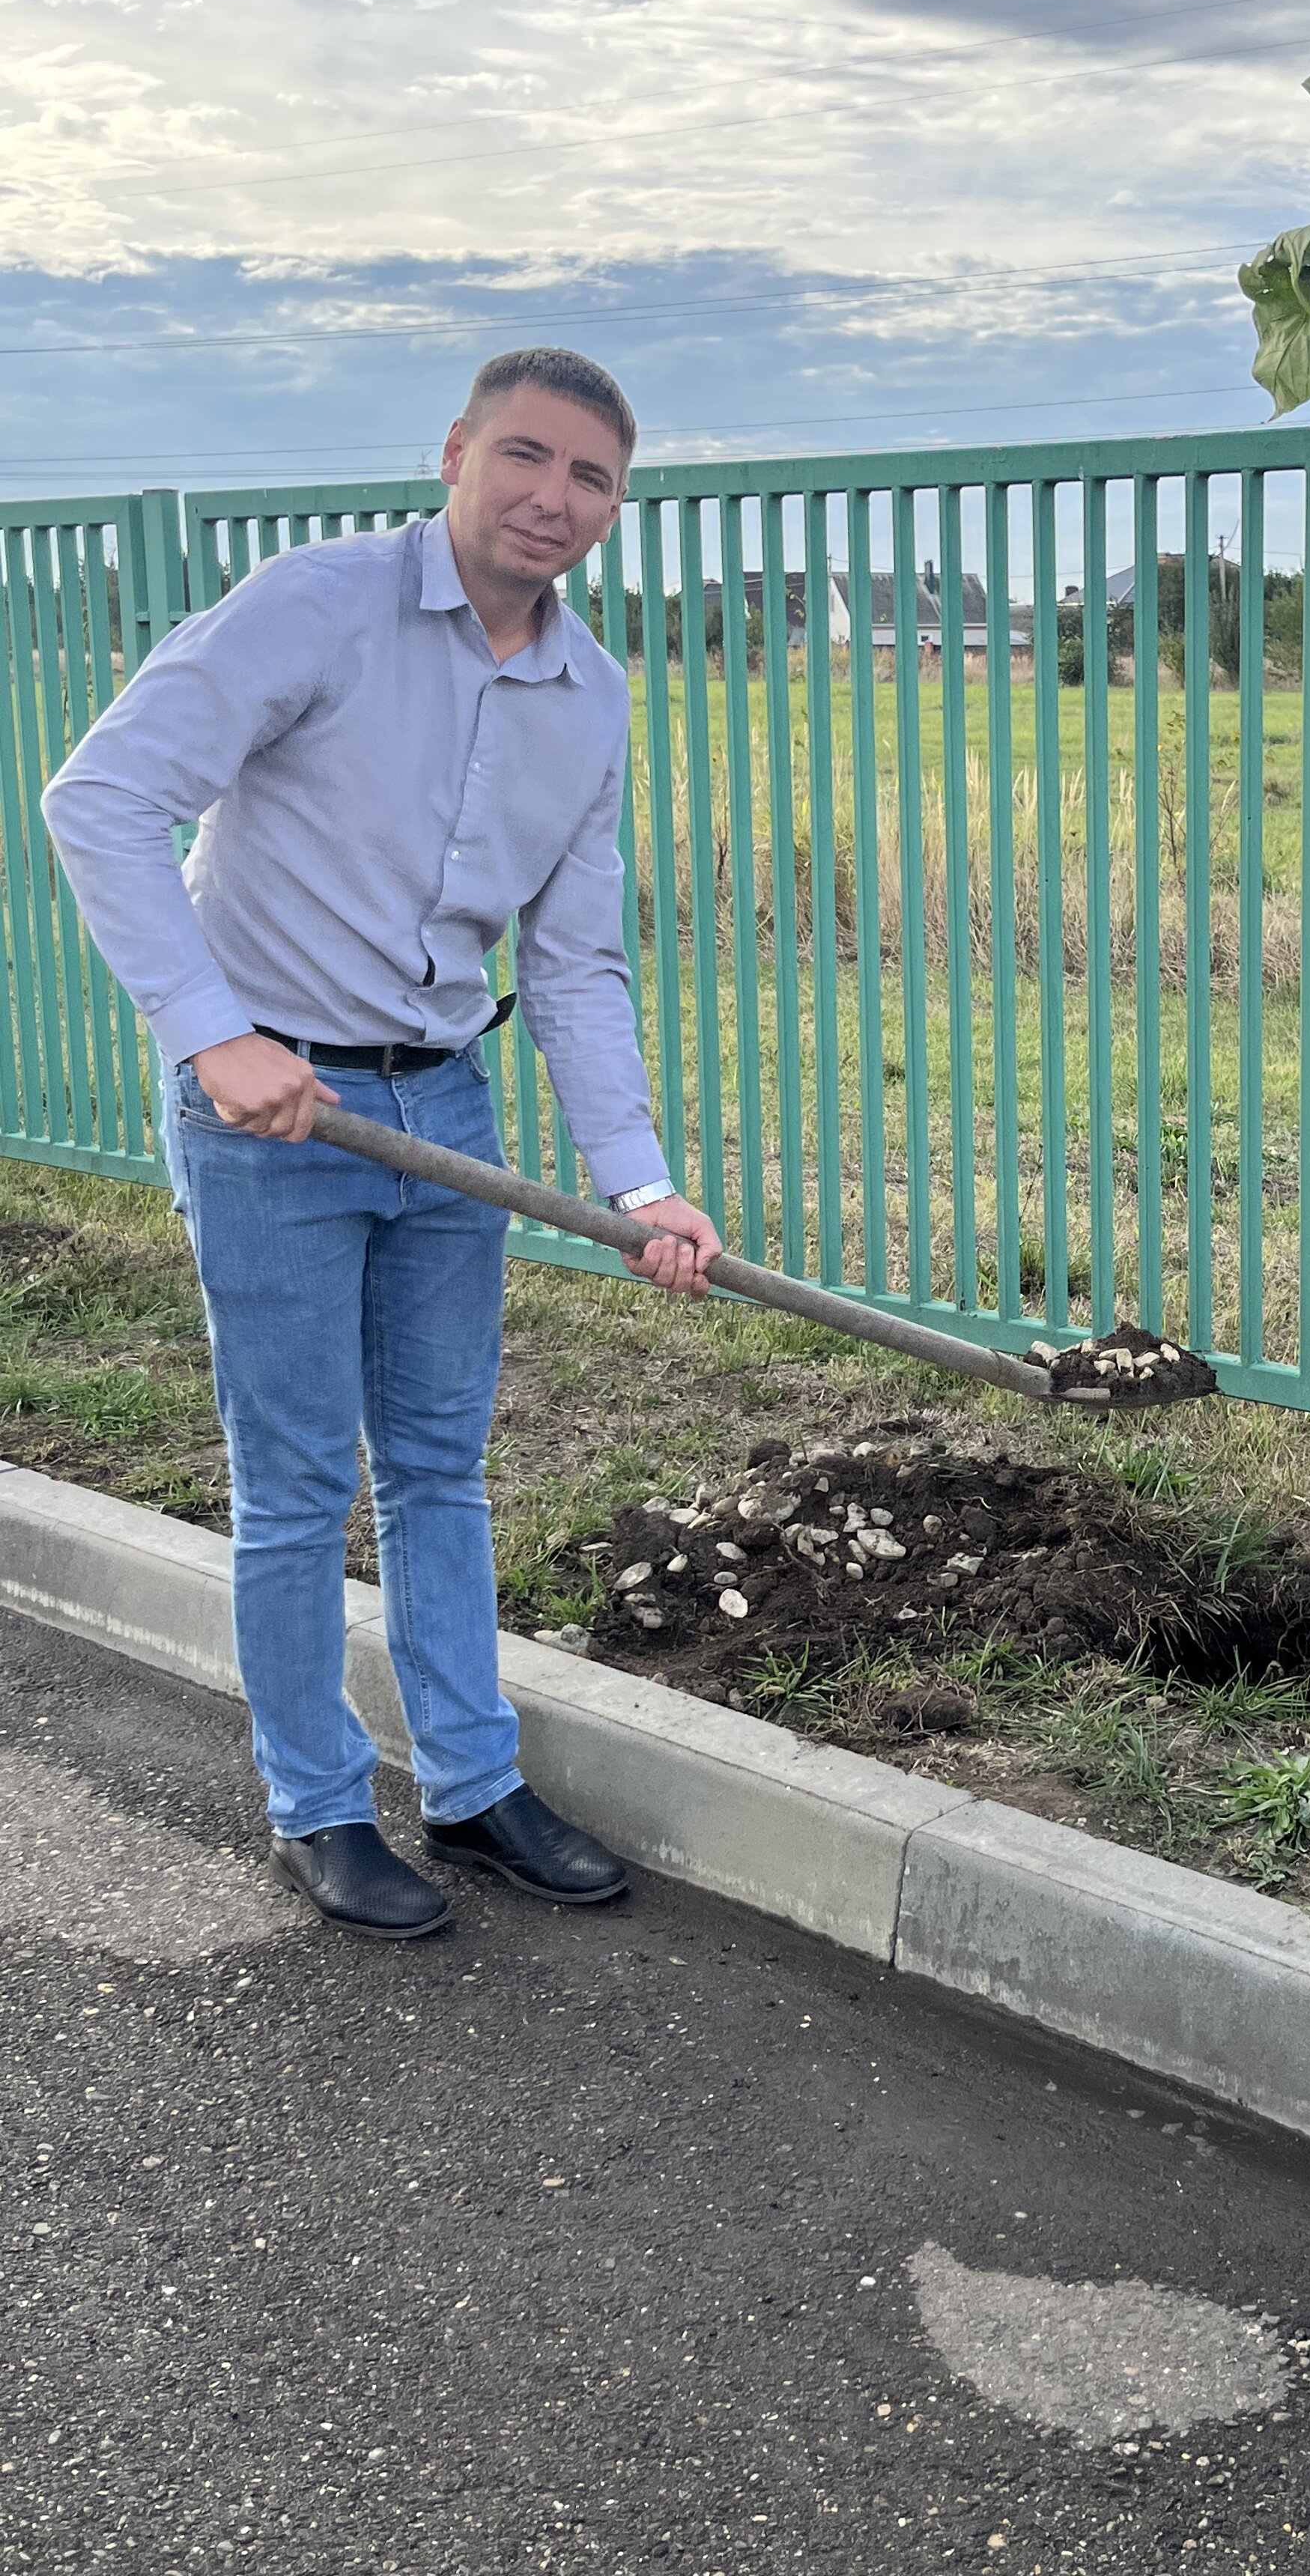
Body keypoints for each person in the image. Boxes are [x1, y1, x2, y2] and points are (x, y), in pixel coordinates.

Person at [43, 347, 721, 1936]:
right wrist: (214, 1033)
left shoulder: (591, 693)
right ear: (457, 456)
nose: (556, 499)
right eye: (529, 458)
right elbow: (103, 798)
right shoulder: (316, 606)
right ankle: (320, 1803)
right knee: (291, 1483)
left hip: (444, 1110)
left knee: (438, 1468)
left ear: (618, 504)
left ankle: (473, 1788)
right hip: (273, 1113)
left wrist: (640, 1182)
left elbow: (571, 960)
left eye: (595, 478)